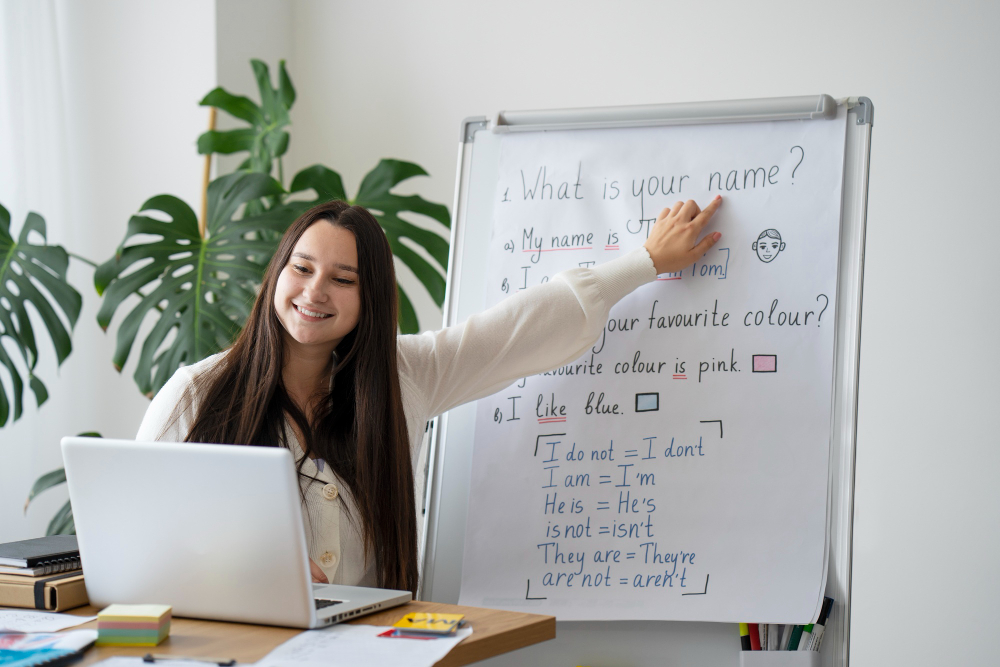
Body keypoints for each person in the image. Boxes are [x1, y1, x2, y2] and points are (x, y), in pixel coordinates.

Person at [136, 195, 723, 596]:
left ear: (371, 300)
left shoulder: (401, 378)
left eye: (344, 279)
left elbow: (516, 331)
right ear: (276, 276)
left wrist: (645, 262)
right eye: (301, 268)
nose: (315, 291)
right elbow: (142, 546)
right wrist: (255, 569)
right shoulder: (197, 395)